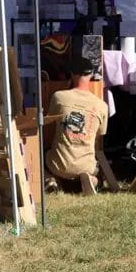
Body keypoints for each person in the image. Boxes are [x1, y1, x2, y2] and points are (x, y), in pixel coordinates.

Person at [45, 57, 109, 195]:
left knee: (44, 154)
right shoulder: (101, 105)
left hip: (60, 165)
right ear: (91, 74)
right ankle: (92, 181)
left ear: (72, 74)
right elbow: (100, 135)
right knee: (97, 172)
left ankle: (51, 179)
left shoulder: (59, 97)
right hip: (86, 166)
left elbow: (47, 122)